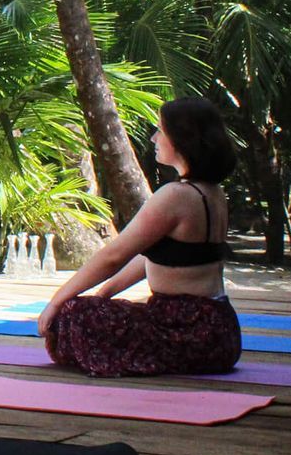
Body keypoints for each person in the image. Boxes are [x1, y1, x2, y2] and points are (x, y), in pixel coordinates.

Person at [36, 98, 241, 377]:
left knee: (73, 314)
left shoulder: (176, 196)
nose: (154, 138)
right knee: (87, 310)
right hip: (222, 333)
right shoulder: (213, 193)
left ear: (183, 139)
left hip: (185, 329)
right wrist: (104, 294)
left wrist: (56, 301)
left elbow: (113, 256)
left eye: (161, 130)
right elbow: (155, 258)